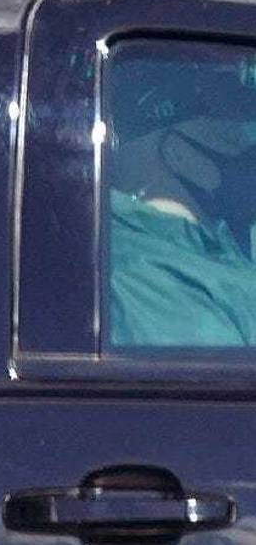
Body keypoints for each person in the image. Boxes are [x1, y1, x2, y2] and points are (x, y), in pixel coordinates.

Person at [106, 43, 256, 347]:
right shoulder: (149, 281)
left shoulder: (203, 242)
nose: (249, 156)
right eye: (234, 139)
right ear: (178, 155)